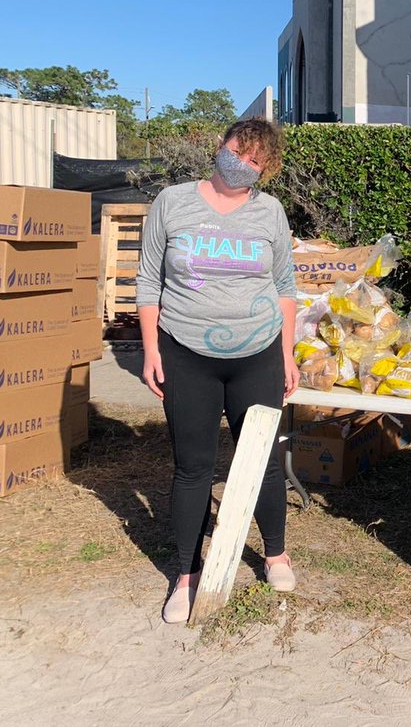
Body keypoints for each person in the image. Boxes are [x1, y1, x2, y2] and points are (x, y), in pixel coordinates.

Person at [136, 117, 301, 625]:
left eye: (256, 161)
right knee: (192, 467)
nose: (243, 164)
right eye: (238, 151)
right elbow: (148, 282)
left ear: (265, 169)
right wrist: (150, 350)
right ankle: (186, 574)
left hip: (257, 354)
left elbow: (285, 287)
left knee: (263, 461)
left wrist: (287, 353)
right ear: (221, 146)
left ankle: (275, 553)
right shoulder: (173, 202)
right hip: (186, 353)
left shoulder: (270, 212)